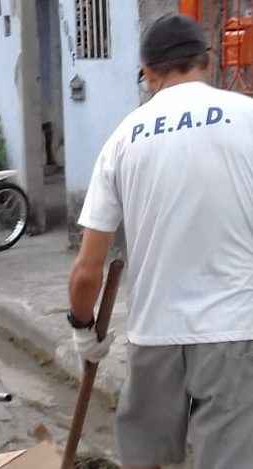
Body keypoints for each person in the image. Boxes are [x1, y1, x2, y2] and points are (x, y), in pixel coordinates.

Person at [68, 14, 253, 469]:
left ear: (149, 72)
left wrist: (81, 328)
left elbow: (88, 269)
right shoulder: (248, 117)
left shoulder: (122, 139)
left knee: (146, 461)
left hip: (154, 333)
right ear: (206, 61)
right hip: (236, 330)